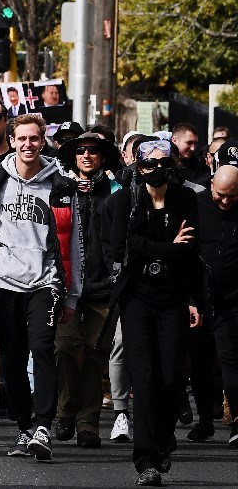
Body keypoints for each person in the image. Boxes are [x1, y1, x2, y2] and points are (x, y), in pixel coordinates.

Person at [0, 113, 78, 463]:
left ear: (43, 141)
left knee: (43, 348)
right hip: (4, 278)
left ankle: (44, 426)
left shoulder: (60, 183)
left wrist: (72, 291)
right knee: (12, 357)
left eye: (35, 138)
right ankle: (24, 427)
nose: (28, 144)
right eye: (22, 139)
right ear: (12, 141)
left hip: (45, 278)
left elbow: (74, 240)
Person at [108, 139, 204, 486]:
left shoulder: (186, 199)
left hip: (174, 298)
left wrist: (194, 298)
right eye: (149, 164)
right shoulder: (125, 200)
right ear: (139, 167)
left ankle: (163, 441)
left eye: (163, 163)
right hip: (137, 299)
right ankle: (145, 459)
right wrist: (167, 246)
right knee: (144, 378)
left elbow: (189, 251)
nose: (156, 170)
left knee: (170, 377)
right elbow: (123, 247)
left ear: (173, 165)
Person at [52, 132, 122, 448]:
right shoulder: (60, 191)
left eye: (93, 151)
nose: (86, 155)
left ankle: (87, 422)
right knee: (65, 347)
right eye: (81, 151)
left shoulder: (116, 193)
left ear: (102, 158)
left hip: (104, 286)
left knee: (95, 354)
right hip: (67, 285)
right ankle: (66, 409)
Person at [196, 164, 238, 448]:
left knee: (230, 361)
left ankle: (237, 421)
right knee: (199, 364)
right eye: (220, 194)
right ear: (211, 185)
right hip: (197, 300)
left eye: (232, 197)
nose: (225, 201)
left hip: (232, 301)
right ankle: (204, 421)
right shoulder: (196, 205)